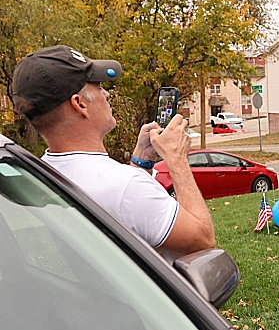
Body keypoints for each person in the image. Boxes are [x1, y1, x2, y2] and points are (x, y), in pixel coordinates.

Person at [11, 45, 215, 261]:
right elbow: (202, 240)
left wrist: (141, 162)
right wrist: (176, 158)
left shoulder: (39, 175)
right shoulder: (125, 187)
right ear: (80, 104)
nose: (106, 94)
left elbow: (120, 210)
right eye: (98, 87)